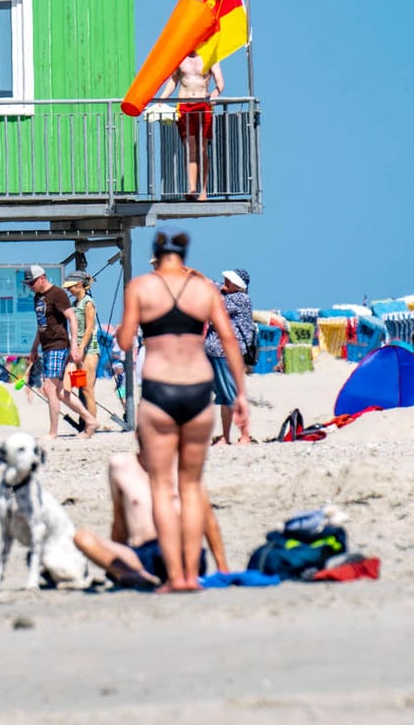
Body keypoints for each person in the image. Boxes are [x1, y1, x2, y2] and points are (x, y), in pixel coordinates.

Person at [118, 230, 247, 592]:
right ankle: (193, 575)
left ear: (156, 255)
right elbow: (228, 339)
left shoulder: (141, 287)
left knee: (161, 487)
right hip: (198, 389)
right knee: (191, 487)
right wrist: (241, 394)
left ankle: (175, 577)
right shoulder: (205, 290)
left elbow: (126, 341)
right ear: (185, 254)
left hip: (159, 391)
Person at [73, 452, 229, 588]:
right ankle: (134, 575)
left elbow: (208, 521)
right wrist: (115, 563)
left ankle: (153, 576)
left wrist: (223, 569)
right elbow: (120, 525)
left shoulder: (183, 464)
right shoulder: (121, 466)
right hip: (140, 556)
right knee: (82, 537)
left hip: (181, 549)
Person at [26, 265, 96, 440]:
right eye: (28, 283)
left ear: (42, 278)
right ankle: (90, 420)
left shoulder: (58, 294)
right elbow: (41, 325)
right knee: (60, 392)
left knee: (50, 388)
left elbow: (72, 319)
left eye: (32, 282)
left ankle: (53, 432)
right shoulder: (38, 297)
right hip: (47, 346)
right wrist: (34, 347)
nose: (30, 286)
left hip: (60, 345)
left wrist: (74, 347)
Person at [154, 50, 224, 200]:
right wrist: (161, 100)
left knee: (203, 148)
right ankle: (192, 188)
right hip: (184, 106)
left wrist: (215, 94)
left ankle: (203, 191)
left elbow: (220, 82)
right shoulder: (181, 56)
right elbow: (173, 81)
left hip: (203, 105)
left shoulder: (210, 56)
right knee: (190, 148)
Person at [203, 268, 256, 445]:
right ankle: (226, 436)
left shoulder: (240, 298)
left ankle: (245, 434)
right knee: (226, 397)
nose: (224, 282)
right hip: (216, 353)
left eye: (229, 280)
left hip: (228, 354)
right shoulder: (227, 294)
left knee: (232, 395)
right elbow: (208, 284)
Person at [65, 273, 103, 430]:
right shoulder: (75, 303)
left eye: (71, 287)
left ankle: (90, 426)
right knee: (74, 387)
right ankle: (86, 420)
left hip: (88, 351)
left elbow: (89, 328)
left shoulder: (88, 303)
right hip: (77, 352)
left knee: (87, 390)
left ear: (79, 285)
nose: (69, 290)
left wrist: (80, 348)